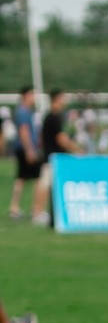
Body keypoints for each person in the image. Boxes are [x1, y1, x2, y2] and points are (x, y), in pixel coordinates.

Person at [34, 90, 76, 227]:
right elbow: (61, 138)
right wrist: (76, 150)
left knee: (49, 185)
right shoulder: (53, 117)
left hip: (52, 155)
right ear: (57, 99)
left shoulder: (53, 116)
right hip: (51, 156)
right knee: (45, 184)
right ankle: (37, 213)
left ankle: (42, 212)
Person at [8, 85, 41, 222]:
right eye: (32, 95)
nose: (34, 98)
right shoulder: (23, 111)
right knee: (33, 178)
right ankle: (33, 209)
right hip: (26, 149)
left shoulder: (28, 111)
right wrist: (30, 150)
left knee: (22, 178)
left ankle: (16, 208)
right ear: (26, 96)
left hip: (25, 148)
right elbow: (24, 131)